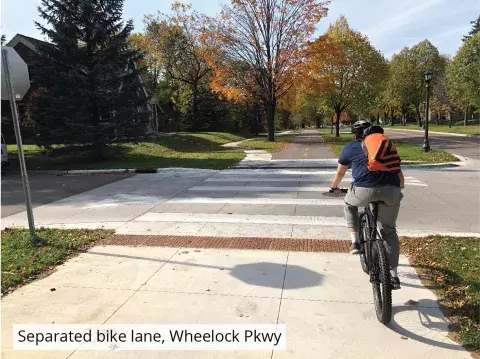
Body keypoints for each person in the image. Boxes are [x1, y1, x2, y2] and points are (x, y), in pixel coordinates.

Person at [330, 120, 404, 289]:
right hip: (391, 191)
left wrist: (333, 187)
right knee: (389, 230)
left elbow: (341, 172)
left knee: (349, 204)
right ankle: (393, 274)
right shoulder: (385, 146)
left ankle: (355, 241)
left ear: (355, 134)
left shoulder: (351, 146)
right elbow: (400, 175)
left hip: (364, 190)